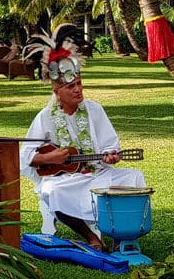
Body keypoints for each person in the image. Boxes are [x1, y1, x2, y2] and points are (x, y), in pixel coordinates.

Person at [19, 24, 146, 252]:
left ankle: (120, 237)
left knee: (134, 178)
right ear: (57, 92)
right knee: (52, 192)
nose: (78, 90)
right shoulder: (46, 116)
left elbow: (110, 144)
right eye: (70, 87)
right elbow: (26, 156)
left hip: (98, 172)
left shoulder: (94, 110)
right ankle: (91, 238)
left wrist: (111, 157)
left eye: (79, 84)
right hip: (65, 179)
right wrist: (52, 158)